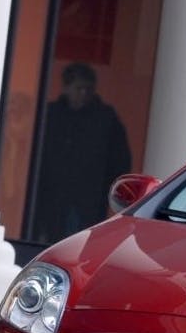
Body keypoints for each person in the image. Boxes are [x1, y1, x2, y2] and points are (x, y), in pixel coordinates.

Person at [33, 62, 132, 242]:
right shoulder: (51, 115)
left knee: (82, 243)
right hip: (52, 197)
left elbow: (120, 159)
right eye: (79, 89)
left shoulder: (105, 118)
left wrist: (108, 191)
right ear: (66, 88)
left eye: (88, 89)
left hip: (90, 197)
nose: (84, 94)